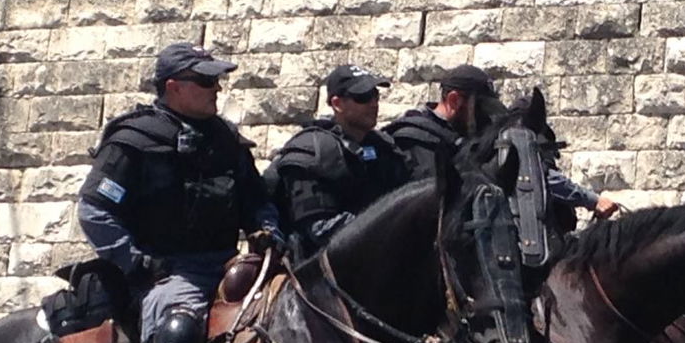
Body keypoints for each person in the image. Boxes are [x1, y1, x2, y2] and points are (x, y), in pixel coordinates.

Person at [76, 42, 282, 343]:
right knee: (180, 316)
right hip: (166, 273)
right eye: (205, 81)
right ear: (173, 86)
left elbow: (258, 202)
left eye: (217, 81)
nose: (216, 89)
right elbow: (95, 210)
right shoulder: (134, 141)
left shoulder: (226, 142)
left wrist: (268, 230)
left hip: (229, 267)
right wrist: (138, 262)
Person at [385, 63, 622, 221]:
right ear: (455, 100)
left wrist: (589, 199)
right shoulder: (415, 140)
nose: (485, 117)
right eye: (480, 108)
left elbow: (526, 170)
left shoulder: (471, 140)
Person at [263, 63, 410, 258]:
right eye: (363, 97)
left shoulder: (385, 148)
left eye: (375, 96)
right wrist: (382, 227)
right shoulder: (312, 151)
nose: (373, 104)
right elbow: (318, 229)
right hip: (319, 270)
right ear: (337, 104)